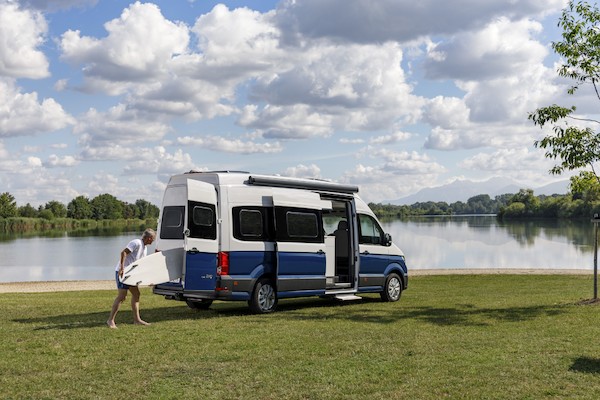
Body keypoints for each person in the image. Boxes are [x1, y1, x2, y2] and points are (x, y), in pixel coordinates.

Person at [107, 228, 156, 328]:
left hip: (131, 275)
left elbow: (140, 265)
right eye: (153, 239)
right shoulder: (136, 243)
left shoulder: (144, 248)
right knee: (122, 297)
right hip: (123, 273)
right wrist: (121, 268)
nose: (154, 241)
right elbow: (123, 253)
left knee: (136, 294)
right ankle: (110, 320)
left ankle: (137, 320)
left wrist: (148, 279)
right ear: (149, 238)